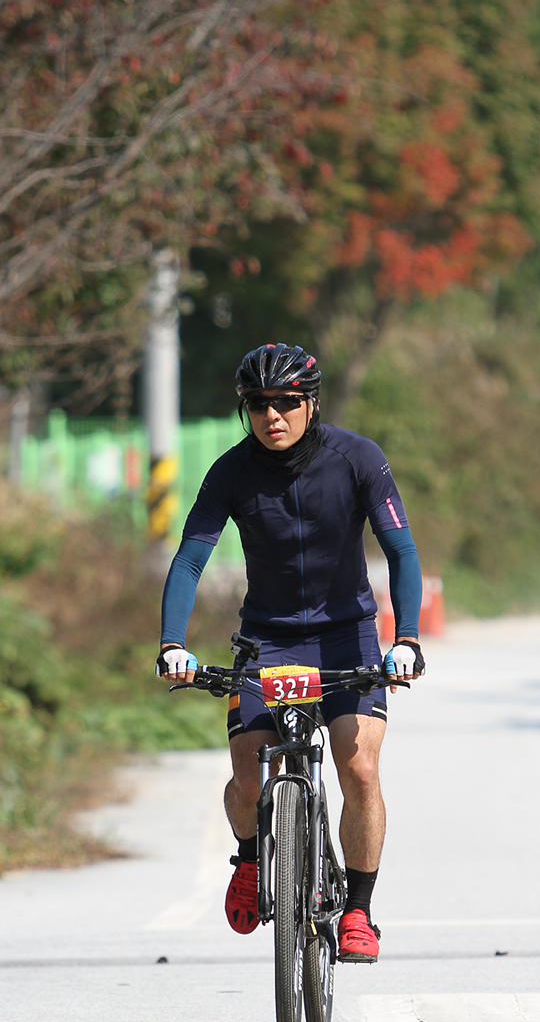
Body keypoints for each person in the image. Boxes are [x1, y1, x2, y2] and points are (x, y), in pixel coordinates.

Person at [156, 343, 424, 963]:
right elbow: (191, 559)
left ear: (311, 403)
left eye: (285, 402)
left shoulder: (358, 458)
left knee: (359, 770)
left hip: (347, 636)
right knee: (247, 772)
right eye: (257, 404)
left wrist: (407, 637)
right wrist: (172, 644)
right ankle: (252, 858)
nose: (271, 415)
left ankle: (357, 910)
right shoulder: (230, 472)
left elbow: (402, 550)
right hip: (267, 640)